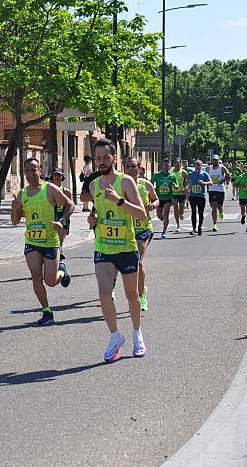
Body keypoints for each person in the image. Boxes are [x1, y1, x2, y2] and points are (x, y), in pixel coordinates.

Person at [86, 138, 147, 362]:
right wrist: (93, 220)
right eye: (98, 158)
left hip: (126, 247)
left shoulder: (126, 182)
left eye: (105, 157)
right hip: (103, 247)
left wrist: (120, 201)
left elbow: (141, 214)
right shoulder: (93, 185)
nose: (101, 162)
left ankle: (137, 334)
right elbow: (98, 213)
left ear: (114, 158)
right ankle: (114, 337)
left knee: (131, 295)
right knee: (104, 294)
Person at [11, 158, 75, 326]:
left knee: (51, 281)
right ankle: (47, 311)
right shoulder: (22, 194)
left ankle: (62, 272)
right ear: (24, 173)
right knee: (36, 276)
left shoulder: (50, 189)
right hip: (31, 240)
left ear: (40, 170)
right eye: (27, 171)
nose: (31, 174)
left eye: (34, 170)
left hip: (50, 241)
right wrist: (15, 209)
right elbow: (15, 221)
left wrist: (61, 221)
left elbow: (70, 205)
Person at [124, 157, 159, 312]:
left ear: (139, 168)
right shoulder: (121, 185)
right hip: (126, 229)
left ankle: (142, 295)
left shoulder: (146, 184)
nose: (131, 169)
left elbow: (156, 199)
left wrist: (153, 205)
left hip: (144, 228)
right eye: (128, 166)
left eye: (134, 166)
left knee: (138, 261)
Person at [151, 159, 178, 239]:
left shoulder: (172, 175)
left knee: (166, 213)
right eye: (165, 165)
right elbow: (151, 183)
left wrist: (175, 186)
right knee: (159, 215)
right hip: (159, 198)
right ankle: (162, 218)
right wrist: (152, 190)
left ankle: (164, 232)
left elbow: (177, 186)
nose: (167, 167)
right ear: (162, 166)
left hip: (168, 198)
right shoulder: (157, 175)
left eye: (168, 165)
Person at [50, 168, 73, 258]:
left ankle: (60, 249)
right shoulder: (49, 190)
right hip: (52, 215)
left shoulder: (66, 191)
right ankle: (58, 252)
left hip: (63, 216)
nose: (57, 177)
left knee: (61, 237)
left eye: (59, 175)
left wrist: (66, 217)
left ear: (62, 177)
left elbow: (71, 205)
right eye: (55, 175)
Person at [187, 160, 212, 236]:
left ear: (201, 166)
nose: (198, 166)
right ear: (194, 165)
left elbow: (211, 183)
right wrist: (187, 188)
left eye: (200, 165)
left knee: (201, 212)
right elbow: (187, 183)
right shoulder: (190, 174)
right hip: (193, 196)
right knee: (193, 211)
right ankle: (194, 228)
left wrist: (203, 183)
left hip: (201, 196)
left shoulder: (204, 174)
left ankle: (200, 227)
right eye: (197, 165)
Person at [207, 154, 230, 232]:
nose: (214, 161)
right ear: (212, 160)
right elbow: (205, 176)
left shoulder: (222, 168)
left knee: (219, 206)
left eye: (216, 160)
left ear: (218, 160)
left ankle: (220, 211)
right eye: (213, 160)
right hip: (212, 189)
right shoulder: (208, 168)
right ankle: (214, 224)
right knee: (213, 206)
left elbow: (229, 175)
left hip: (220, 190)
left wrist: (223, 180)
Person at [171, 159, 188, 232]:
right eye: (175, 163)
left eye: (178, 163)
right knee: (175, 208)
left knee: (181, 209)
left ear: (180, 164)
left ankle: (181, 213)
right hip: (174, 193)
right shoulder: (171, 173)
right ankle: (178, 225)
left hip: (182, 193)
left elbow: (188, 181)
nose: (177, 164)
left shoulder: (183, 172)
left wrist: (185, 188)